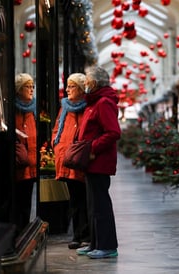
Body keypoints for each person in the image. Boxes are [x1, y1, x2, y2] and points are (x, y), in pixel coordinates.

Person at [75, 66, 121, 259]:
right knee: (92, 205)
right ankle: (95, 243)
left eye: (86, 80)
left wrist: (92, 148)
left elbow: (113, 132)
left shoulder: (103, 103)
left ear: (94, 83)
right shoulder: (93, 102)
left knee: (100, 205)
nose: (84, 83)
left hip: (99, 162)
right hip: (90, 162)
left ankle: (107, 245)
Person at [51, 73, 90, 249]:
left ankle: (85, 235)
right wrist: (57, 146)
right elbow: (57, 130)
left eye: (71, 86)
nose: (67, 90)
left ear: (81, 89)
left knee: (84, 198)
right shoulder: (64, 108)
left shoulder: (88, 108)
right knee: (75, 199)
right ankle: (78, 235)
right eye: (67, 86)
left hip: (81, 160)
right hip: (67, 160)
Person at [15, 73, 37, 235]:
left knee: (26, 199)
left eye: (32, 87)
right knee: (17, 199)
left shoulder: (32, 110)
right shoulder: (12, 109)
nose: (31, 90)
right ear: (18, 89)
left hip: (31, 163)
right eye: (27, 87)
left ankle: (24, 230)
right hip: (17, 163)